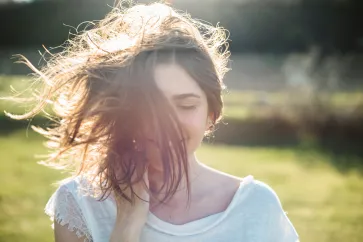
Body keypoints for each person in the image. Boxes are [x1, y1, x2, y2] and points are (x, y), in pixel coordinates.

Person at [7, 1, 299, 241]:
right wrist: (127, 224)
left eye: (185, 105)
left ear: (211, 114)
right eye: (149, 106)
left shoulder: (256, 206)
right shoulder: (79, 204)